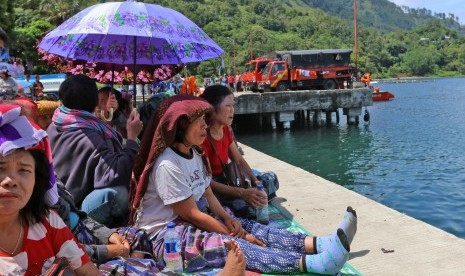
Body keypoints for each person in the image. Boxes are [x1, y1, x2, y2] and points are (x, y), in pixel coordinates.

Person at [129, 95, 356, 275]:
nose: (204, 128)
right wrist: (236, 235)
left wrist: (228, 219)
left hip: (193, 219)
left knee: (249, 226)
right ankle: (315, 264)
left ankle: (321, 244)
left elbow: (207, 193)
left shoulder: (195, 153)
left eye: (204, 122)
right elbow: (192, 215)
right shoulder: (168, 164)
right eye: (198, 123)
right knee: (234, 246)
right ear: (179, 127)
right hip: (166, 235)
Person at [0, 104, 100, 275]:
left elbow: (88, 271)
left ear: (37, 180)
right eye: (0, 168)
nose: (10, 181)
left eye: (24, 170)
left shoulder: (47, 222)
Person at [47, 74, 143, 227]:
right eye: (101, 100)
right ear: (95, 102)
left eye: (108, 100)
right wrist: (132, 137)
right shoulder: (88, 135)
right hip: (71, 208)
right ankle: (99, 231)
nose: (104, 104)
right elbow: (117, 172)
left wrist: (113, 116)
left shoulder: (57, 122)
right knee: (118, 193)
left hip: (55, 201)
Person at [200, 85, 279, 219]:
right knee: (248, 212)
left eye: (233, 106)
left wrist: (256, 183)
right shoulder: (202, 137)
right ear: (212, 108)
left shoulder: (225, 129)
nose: (232, 111)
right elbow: (208, 183)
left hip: (229, 178)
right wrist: (242, 193)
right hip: (216, 187)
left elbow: (238, 160)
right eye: (228, 106)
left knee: (270, 178)